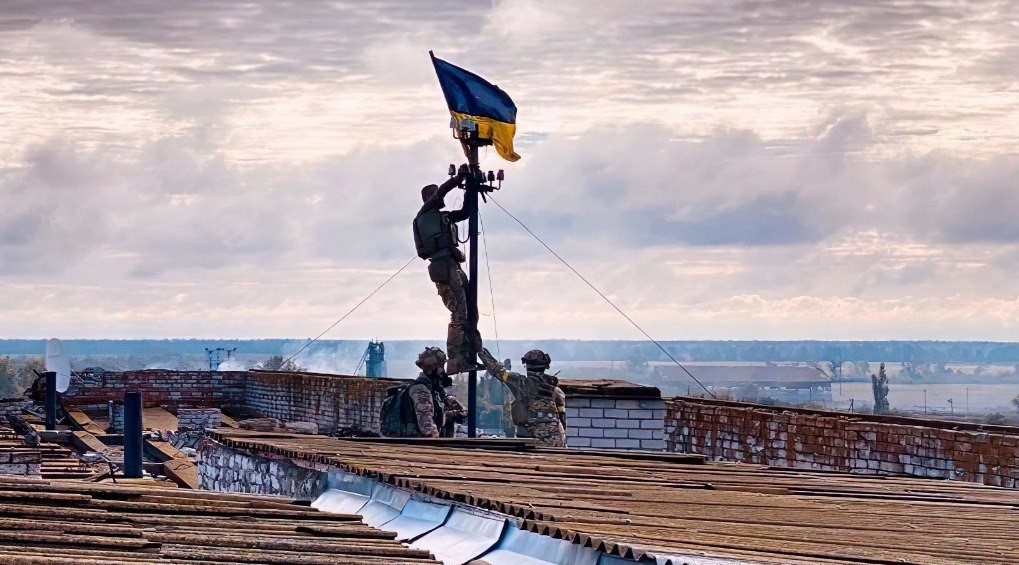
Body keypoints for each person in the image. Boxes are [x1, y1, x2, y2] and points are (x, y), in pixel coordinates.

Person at [413, 165, 481, 374]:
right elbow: (442, 193)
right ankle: (454, 360)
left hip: (454, 266)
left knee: (471, 311)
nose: (439, 197)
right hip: (443, 268)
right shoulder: (424, 214)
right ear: (427, 198)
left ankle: (471, 354)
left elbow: (466, 212)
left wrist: (471, 187)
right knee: (458, 314)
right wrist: (458, 178)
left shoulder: (443, 217)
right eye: (434, 194)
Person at [478, 347, 567, 447]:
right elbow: (562, 418)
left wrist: (481, 352)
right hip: (555, 440)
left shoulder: (522, 384)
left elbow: (498, 371)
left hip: (531, 440)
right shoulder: (554, 389)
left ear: (527, 366)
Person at [404, 347, 447, 438]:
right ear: (432, 368)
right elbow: (426, 425)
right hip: (416, 443)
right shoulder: (420, 389)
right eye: (440, 367)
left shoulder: (433, 388)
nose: (442, 371)